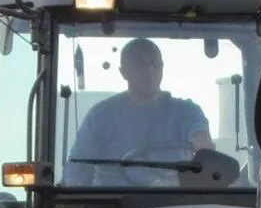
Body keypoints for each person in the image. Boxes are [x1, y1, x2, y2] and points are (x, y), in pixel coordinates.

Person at [65, 38, 213, 185]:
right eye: (139, 65)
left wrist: (202, 144)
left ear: (162, 68)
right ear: (123, 72)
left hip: (170, 203)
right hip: (112, 204)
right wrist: (72, 187)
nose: (149, 71)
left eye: (154, 64)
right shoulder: (100, 116)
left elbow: (200, 137)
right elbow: (77, 170)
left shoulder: (186, 111)